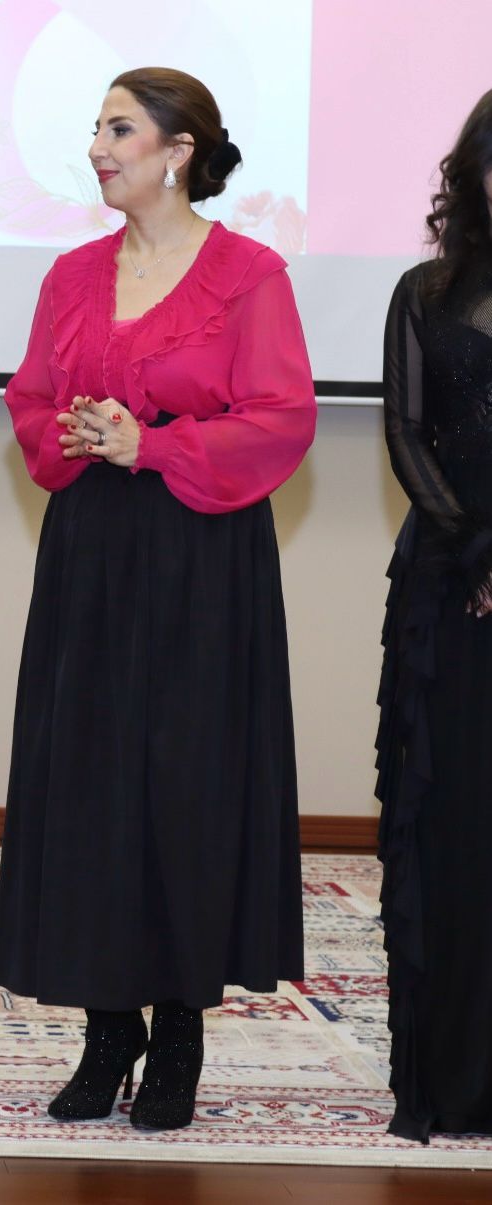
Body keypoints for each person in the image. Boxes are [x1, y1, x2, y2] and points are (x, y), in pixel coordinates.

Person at [0, 67, 316, 1131]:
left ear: (178, 151)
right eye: (95, 127)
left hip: (200, 556)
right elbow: (32, 396)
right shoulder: (72, 275)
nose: (97, 146)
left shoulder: (250, 273)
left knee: (185, 782)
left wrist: (155, 442)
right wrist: (78, 435)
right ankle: (105, 1026)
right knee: (89, 781)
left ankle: (178, 1030)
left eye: (118, 128)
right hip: (91, 547)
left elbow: (281, 417)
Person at [375, 88, 492, 1144]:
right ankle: (454, 1075)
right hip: (453, 586)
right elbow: (407, 433)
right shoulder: (426, 290)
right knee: (455, 825)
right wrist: (476, 546)